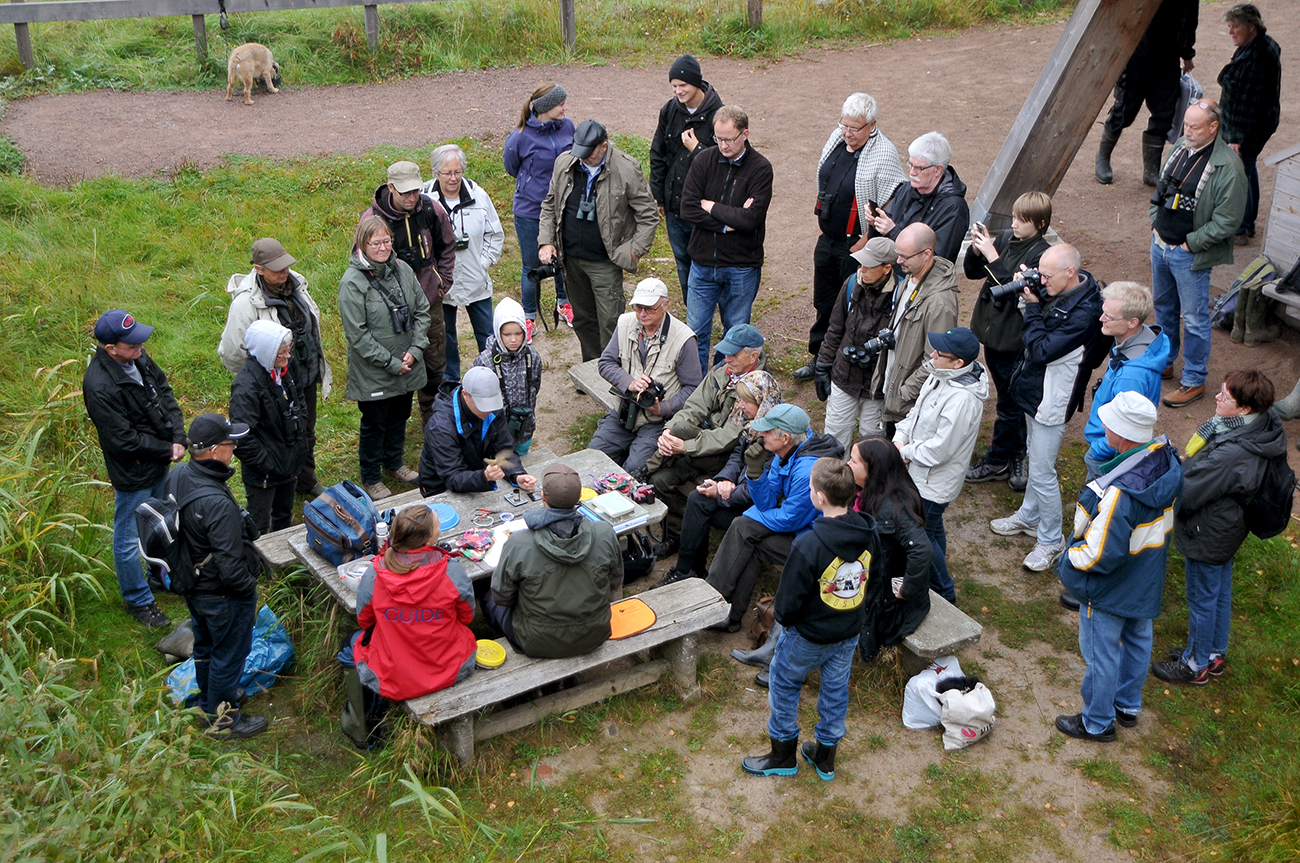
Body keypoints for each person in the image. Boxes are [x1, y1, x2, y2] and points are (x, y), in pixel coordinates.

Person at [1055, 393, 1182, 742]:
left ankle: (1097, 721)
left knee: (1102, 654)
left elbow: (1099, 554)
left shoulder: (1120, 493)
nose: (1103, 428)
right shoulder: (1169, 463)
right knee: (1139, 640)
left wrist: (1068, 558)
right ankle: (1128, 704)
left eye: (1108, 424)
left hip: (1110, 588)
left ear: (1123, 435)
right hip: (1146, 577)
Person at [741, 459, 877, 780]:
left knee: (784, 682)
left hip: (807, 636)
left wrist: (786, 621)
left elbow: (787, 601)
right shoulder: (871, 536)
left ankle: (783, 754)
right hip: (848, 632)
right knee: (834, 688)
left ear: (818, 497)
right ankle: (825, 755)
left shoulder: (809, 544)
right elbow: (874, 579)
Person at [1154, 370, 1284, 685]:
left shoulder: (1230, 454)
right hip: (1229, 529)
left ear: (1244, 409)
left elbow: (1190, 490)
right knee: (1219, 591)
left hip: (1209, 531)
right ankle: (1214, 653)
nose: (1216, 396)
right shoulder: (1261, 427)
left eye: (1225, 396)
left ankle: (1195, 664)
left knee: (1202, 598)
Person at [991, 244, 1106, 572]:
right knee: (1032, 453)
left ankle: (1051, 539)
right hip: (1034, 391)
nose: (1041, 280)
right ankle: (1028, 516)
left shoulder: (1085, 313)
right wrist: (1031, 294)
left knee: (1042, 472)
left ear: (1071, 272)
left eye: (1046, 275)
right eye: (1039, 273)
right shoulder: (1062, 289)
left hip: (1052, 400)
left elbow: (1041, 350)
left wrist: (1031, 308)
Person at [793, 92, 907, 381]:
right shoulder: (836, 139)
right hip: (828, 238)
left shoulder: (884, 153)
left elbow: (893, 200)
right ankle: (818, 356)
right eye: (844, 125)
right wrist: (822, 215)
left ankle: (841, 362)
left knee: (850, 305)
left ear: (872, 125)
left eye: (855, 128)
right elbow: (825, 178)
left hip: (857, 245)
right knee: (824, 300)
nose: (847, 133)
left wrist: (867, 238)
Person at [83, 309, 185, 629]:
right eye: (132, 344)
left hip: (159, 458)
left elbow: (164, 390)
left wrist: (178, 436)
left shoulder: (136, 356)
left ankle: (159, 574)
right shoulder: (99, 385)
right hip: (134, 472)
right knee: (128, 538)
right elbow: (122, 441)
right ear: (111, 349)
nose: (140, 348)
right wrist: (166, 449)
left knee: (163, 521)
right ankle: (138, 601)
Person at [705, 404, 844, 632]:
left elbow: (791, 519)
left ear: (785, 437)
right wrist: (754, 472)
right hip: (800, 529)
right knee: (747, 533)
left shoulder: (807, 469)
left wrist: (751, 514)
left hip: (816, 544)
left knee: (744, 527)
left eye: (767, 431)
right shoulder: (788, 453)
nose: (761, 435)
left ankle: (711, 603)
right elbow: (767, 502)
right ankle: (729, 616)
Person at [170, 413, 267, 739]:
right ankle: (224, 721)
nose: (234, 447)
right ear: (213, 450)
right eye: (230, 443)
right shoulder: (216, 503)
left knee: (207, 647)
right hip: (222, 592)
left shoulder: (181, 472)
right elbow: (230, 566)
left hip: (194, 584)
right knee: (229, 655)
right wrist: (248, 589)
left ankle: (210, 700)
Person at [1149, 99, 1247, 409]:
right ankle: (1165, 360)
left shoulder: (1228, 167)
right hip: (1161, 244)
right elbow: (1162, 187)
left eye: (1194, 126)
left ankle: (1193, 380)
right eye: (1185, 125)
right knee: (1163, 307)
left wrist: (1190, 244)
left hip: (1188, 254)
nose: (1186, 131)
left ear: (1213, 128)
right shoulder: (1181, 145)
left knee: (1193, 319)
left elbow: (1228, 221)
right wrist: (1155, 222)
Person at [538, 119, 659, 362]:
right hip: (571, 260)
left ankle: (615, 376)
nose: (582, 158)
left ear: (603, 146)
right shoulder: (565, 163)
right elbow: (550, 204)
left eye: (588, 152)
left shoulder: (626, 169)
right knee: (582, 319)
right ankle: (592, 369)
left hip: (605, 262)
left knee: (611, 323)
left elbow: (648, 214)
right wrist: (546, 241)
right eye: (578, 151)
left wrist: (633, 252)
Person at [219, 237, 331, 497]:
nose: (285, 272)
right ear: (258, 269)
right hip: (273, 384)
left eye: (286, 266)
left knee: (305, 432)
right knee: (279, 436)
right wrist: (260, 379)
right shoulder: (245, 304)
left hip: (304, 375)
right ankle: (278, 484)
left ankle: (304, 480)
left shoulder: (297, 282)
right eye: (277, 269)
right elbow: (232, 351)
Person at [652, 370, 782, 589]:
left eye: (744, 401)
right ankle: (690, 568)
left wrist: (726, 492)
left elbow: (762, 490)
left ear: (761, 402)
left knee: (702, 503)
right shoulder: (751, 423)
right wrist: (724, 479)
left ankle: (689, 570)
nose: (739, 405)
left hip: (758, 509)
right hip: (739, 491)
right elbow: (736, 458)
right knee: (698, 497)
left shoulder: (774, 437)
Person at [646, 323, 766, 559]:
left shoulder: (758, 388)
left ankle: (642, 471)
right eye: (726, 351)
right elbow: (694, 407)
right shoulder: (722, 372)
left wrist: (686, 446)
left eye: (734, 353)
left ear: (753, 356)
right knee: (660, 479)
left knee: (675, 446)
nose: (727, 357)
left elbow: (729, 437)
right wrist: (669, 432)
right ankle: (678, 535)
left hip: (725, 458)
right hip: (702, 447)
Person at [482, 464, 624, 658]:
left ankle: (506, 652)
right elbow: (615, 583)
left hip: (537, 641)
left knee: (487, 596)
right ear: (580, 497)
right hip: (594, 632)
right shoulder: (605, 532)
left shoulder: (519, 542)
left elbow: (502, 597)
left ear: (543, 497)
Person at [964, 192, 1053, 491]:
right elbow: (972, 273)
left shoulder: (1043, 255)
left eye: (1023, 220)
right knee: (1007, 396)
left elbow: (1014, 288)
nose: (1014, 224)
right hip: (993, 334)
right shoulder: (1003, 240)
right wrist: (977, 251)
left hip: (1015, 339)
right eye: (1014, 217)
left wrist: (992, 255)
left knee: (1010, 402)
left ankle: (1001, 458)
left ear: (1040, 224)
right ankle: (1016, 453)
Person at [338, 215, 431, 502]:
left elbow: (422, 312)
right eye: (375, 242)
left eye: (387, 240)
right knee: (374, 423)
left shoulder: (403, 269)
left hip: (407, 363)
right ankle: (371, 477)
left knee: (400, 415)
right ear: (362, 245)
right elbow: (358, 335)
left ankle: (394, 463)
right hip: (375, 371)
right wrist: (392, 363)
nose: (383, 247)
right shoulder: (352, 283)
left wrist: (414, 352)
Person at [893, 328, 988, 604]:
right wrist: (900, 438)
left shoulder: (963, 399)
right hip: (919, 473)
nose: (932, 355)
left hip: (934, 482)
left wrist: (905, 452)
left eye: (939, 353)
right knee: (931, 530)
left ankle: (943, 590)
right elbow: (915, 414)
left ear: (958, 363)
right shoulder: (940, 375)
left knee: (920, 535)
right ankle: (938, 580)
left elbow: (940, 450)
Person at [679, 105, 774, 372]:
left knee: (735, 336)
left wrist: (710, 206)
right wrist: (726, 224)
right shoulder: (703, 160)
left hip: (741, 266)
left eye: (728, 139)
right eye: (717, 138)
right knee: (695, 332)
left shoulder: (760, 169)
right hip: (703, 263)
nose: (722, 145)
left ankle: (724, 387)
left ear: (745, 134)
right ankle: (695, 388)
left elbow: (750, 219)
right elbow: (687, 208)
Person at [362, 160, 457, 426]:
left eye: (415, 191)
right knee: (398, 363)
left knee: (435, 361)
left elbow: (447, 246)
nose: (412, 197)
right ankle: (396, 426)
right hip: (391, 309)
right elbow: (361, 263)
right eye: (405, 193)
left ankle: (435, 421)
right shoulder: (371, 220)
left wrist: (443, 282)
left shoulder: (430, 209)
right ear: (390, 187)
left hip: (429, 301)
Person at [352, 505, 477, 701]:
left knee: (355, 641)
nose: (440, 526)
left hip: (392, 677)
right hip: (451, 668)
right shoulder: (452, 572)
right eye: (438, 525)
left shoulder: (375, 575)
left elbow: (364, 620)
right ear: (429, 539)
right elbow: (468, 616)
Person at [590, 278, 702, 476]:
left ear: (665, 305)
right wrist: (629, 383)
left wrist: (663, 408)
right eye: (638, 307)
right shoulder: (625, 323)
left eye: (649, 308)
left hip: (659, 421)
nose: (642, 314)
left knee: (635, 470)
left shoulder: (684, 339)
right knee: (593, 457)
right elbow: (605, 363)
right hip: (624, 412)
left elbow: (694, 389)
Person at [1093, 0, 1198, 186]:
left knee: (1164, 112)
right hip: (1137, 51)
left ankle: (1151, 171)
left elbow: (1190, 16)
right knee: (1126, 109)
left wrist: (1187, 52)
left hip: (1168, 54)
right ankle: (1103, 156)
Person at [422, 144, 504, 381]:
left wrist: (484, 263)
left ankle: (492, 377)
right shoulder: (426, 199)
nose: (453, 178)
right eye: (447, 173)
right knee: (445, 336)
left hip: (476, 280)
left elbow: (495, 234)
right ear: (435, 172)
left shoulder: (478, 195)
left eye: (457, 172)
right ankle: (450, 383)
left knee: (487, 334)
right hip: (441, 283)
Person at [849, 437, 931, 663]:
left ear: (873, 470)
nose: (848, 464)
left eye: (854, 461)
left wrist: (908, 589)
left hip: (887, 601)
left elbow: (921, 549)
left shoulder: (892, 507)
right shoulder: (872, 493)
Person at [870, 223, 959, 429]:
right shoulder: (910, 280)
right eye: (898, 254)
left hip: (909, 409)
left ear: (927, 253)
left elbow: (936, 358)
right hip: (893, 397)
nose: (898, 261)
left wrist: (903, 392)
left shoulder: (940, 302)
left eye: (905, 257)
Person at [649, 54, 723, 301]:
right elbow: (657, 155)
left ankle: (710, 304)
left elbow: (728, 162)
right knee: (682, 260)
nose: (678, 91)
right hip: (674, 205)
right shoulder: (669, 111)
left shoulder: (720, 116)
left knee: (706, 262)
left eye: (683, 86)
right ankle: (693, 308)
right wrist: (658, 197)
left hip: (704, 207)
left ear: (696, 83)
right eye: (674, 86)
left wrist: (698, 150)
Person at [505, 83, 575, 336]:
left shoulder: (568, 127)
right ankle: (529, 316)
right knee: (531, 264)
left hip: (563, 207)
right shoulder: (520, 137)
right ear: (546, 107)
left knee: (563, 258)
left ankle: (564, 303)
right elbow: (512, 167)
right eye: (561, 104)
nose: (565, 108)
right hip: (530, 211)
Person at [814, 237, 897, 449]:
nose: (862, 269)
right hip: (844, 376)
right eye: (861, 263)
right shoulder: (852, 283)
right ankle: (833, 481)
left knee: (872, 444)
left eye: (869, 265)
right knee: (834, 438)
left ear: (887, 269)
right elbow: (835, 328)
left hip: (876, 387)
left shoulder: (901, 295)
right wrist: (823, 364)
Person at [1084, 282, 1171, 481]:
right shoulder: (1145, 339)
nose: (1101, 319)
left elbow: (1125, 429)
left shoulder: (1131, 376)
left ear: (1132, 322)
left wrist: (1095, 453)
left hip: (1107, 455)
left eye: (1109, 317)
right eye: (1103, 311)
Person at [229, 320, 310, 533]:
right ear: (265, 353)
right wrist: (268, 464)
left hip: (289, 458)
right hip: (264, 472)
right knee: (259, 522)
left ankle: (284, 556)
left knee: (284, 514)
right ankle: (258, 564)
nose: (288, 357)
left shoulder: (286, 366)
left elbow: (300, 397)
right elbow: (242, 437)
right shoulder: (246, 387)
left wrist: (299, 438)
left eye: (288, 350)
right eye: (281, 353)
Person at [1217, 3, 1282, 246]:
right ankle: (1249, 224)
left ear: (1252, 27)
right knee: (1247, 168)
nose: (1231, 31)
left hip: (1245, 130)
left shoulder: (1254, 58)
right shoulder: (1264, 44)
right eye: (1230, 26)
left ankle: (1241, 229)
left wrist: (1235, 138)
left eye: (1236, 26)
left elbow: (1247, 105)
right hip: (1258, 126)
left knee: (1238, 176)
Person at [417, 366, 537, 497]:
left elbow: (504, 449)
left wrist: (517, 474)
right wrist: (483, 476)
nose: (488, 411)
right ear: (465, 394)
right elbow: (452, 477)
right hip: (440, 487)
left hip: (474, 474)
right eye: (482, 405)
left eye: (492, 404)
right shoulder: (440, 427)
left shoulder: (493, 410)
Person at [870, 132, 970, 264]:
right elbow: (886, 229)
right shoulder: (907, 189)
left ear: (938, 170)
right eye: (910, 164)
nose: (912, 172)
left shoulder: (954, 208)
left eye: (919, 168)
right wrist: (875, 223)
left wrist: (893, 232)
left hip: (923, 282)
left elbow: (937, 260)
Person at [471, 298, 542, 455]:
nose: (513, 339)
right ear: (497, 332)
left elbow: (535, 384)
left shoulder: (533, 357)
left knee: (523, 462)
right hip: (494, 432)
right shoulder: (485, 361)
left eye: (518, 333)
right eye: (507, 334)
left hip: (525, 428)